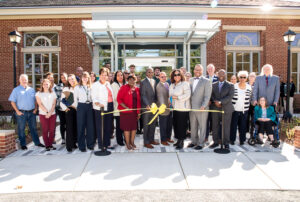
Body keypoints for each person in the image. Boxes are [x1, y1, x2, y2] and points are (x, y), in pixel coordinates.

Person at [9, 74, 45, 150]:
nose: (24, 81)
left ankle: (37, 143)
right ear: (19, 80)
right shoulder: (16, 90)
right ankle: (23, 145)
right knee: (21, 129)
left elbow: (35, 101)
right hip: (21, 113)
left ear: (27, 80)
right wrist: (17, 111)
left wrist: (35, 109)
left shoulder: (31, 90)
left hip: (32, 112)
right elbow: (12, 102)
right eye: (22, 79)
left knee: (33, 128)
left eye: (25, 79)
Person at [188, 64, 212, 150]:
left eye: (199, 70)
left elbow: (207, 95)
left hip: (202, 108)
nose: (197, 71)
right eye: (196, 69)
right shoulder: (190, 80)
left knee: (202, 126)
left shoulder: (206, 81)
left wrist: (203, 105)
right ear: (193, 70)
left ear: (202, 71)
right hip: (192, 107)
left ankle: (201, 143)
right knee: (193, 126)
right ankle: (194, 141)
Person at [209, 69, 234, 149]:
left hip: (226, 108)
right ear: (217, 75)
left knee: (226, 126)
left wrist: (220, 102)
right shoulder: (213, 84)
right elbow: (211, 95)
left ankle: (226, 143)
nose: (221, 76)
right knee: (215, 126)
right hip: (215, 108)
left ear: (226, 75)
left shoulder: (230, 85)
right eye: (220, 74)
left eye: (223, 74)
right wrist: (215, 101)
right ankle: (215, 142)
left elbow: (230, 96)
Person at [92, 68, 114, 150]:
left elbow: (111, 96)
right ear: (99, 75)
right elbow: (93, 98)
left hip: (109, 106)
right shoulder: (95, 85)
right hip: (100, 108)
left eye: (106, 75)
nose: (104, 77)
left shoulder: (108, 83)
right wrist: (98, 104)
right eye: (102, 75)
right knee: (100, 127)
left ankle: (107, 143)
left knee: (108, 126)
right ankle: (101, 145)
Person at [117, 74, 141, 150]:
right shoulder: (123, 88)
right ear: (127, 80)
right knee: (127, 129)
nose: (131, 81)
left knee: (134, 128)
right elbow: (119, 99)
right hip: (125, 112)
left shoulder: (137, 89)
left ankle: (132, 142)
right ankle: (127, 144)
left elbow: (139, 102)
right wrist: (125, 107)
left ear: (135, 80)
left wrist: (139, 112)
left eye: (133, 79)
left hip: (134, 112)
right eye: (130, 79)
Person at [169, 69, 191, 149]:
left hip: (183, 108)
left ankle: (181, 142)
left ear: (181, 75)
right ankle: (178, 140)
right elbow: (170, 96)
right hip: (175, 108)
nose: (177, 76)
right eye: (175, 75)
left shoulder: (185, 84)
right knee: (176, 125)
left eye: (178, 74)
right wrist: (170, 102)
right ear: (173, 76)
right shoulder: (172, 85)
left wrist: (177, 97)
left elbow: (188, 95)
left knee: (182, 126)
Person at [73, 72, 95, 152]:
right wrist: (77, 107)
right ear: (81, 78)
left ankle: (90, 144)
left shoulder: (91, 87)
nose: (85, 79)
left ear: (88, 78)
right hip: (81, 106)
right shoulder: (77, 87)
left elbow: (94, 97)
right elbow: (75, 99)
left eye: (86, 77)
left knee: (90, 126)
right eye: (83, 77)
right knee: (81, 126)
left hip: (89, 106)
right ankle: (81, 146)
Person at [230, 71, 252, 145]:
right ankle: (232, 140)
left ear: (246, 78)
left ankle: (242, 140)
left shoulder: (249, 87)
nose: (242, 79)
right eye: (241, 77)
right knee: (233, 125)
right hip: (234, 109)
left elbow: (250, 98)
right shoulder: (234, 86)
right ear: (238, 78)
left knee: (243, 126)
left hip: (244, 110)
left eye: (244, 77)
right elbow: (230, 97)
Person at [36, 79, 57, 151]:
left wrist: (50, 112)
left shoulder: (53, 93)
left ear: (50, 85)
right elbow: (40, 104)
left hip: (52, 114)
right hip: (43, 114)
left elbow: (54, 104)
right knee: (45, 130)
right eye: (44, 84)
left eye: (47, 84)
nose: (46, 85)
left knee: (52, 130)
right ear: (42, 85)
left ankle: (51, 144)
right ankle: (47, 145)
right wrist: (46, 112)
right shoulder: (38, 93)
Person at [140, 67, 158, 149]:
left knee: (153, 124)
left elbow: (154, 94)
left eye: (152, 72)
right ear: (146, 73)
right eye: (149, 72)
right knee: (146, 125)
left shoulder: (154, 81)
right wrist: (147, 104)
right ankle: (146, 142)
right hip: (146, 107)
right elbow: (143, 95)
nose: (151, 73)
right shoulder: (143, 82)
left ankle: (151, 140)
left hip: (154, 107)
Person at [60, 74, 78, 152]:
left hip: (77, 110)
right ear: (68, 80)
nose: (71, 81)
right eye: (70, 79)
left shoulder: (78, 88)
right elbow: (62, 101)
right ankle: (69, 146)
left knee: (75, 127)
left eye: (73, 79)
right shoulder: (66, 89)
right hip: (69, 110)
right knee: (69, 128)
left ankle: (74, 143)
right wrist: (66, 109)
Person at [156, 72, 173, 146]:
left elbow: (168, 96)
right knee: (163, 126)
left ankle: (168, 138)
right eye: (162, 77)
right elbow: (160, 98)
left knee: (169, 125)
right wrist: (163, 107)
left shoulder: (167, 84)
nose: (164, 78)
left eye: (165, 76)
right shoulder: (158, 86)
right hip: (163, 109)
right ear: (159, 77)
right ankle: (163, 140)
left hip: (169, 108)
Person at [111, 70, 126, 146]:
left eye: (121, 75)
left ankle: (125, 139)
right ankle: (119, 141)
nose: (120, 76)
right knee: (119, 127)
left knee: (124, 126)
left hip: (125, 109)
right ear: (116, 77)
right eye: (118, 75)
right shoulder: (114, 85)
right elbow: (117, 97)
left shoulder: (125, 84)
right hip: (118, 109)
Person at [54, 72, 68, 145]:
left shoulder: (70, 85)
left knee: (69, 124)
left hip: (69, 109)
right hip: (60, 108)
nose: (64, 79)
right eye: (62, 78)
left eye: (65, 77)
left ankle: (69, 137)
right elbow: (56, 98)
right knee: (62, 124)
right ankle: (63, 138)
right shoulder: (57, 87)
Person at [205, 63, 218, 141]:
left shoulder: (218, 78)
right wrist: (207, 101)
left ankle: (215, 138)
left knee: (214, 122)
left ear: (214, 70)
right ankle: (205, 137)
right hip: (206, 104)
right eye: (209, 69)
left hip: (214, 104)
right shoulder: (204, 78)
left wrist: (212, 100)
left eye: (211, 69)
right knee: (206, 121)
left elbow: (218, 92)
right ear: (207, 70)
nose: (210, 70)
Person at [247, 72, 256, 136]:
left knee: (253, 119)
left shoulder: (257, 85)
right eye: (250, 76)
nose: (251, 77)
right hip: (246, 104)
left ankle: (252, 132)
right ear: (248, 77)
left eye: (253, 76)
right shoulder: (245, 84)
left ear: (255, 78)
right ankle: (246, 131)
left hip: (254, 104)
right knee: (246, 118)